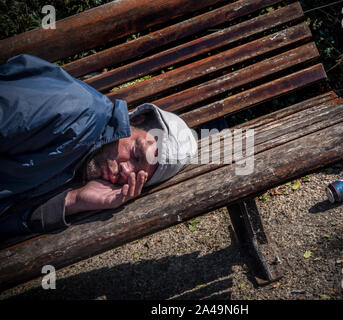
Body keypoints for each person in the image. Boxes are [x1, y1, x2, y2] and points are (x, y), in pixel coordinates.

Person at [0, 54, 197, 237]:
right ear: (137, 119)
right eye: (136, 154)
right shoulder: (70, 110)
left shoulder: (85, 168)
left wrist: (73, 201)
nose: (126, 170)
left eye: (138, 177)